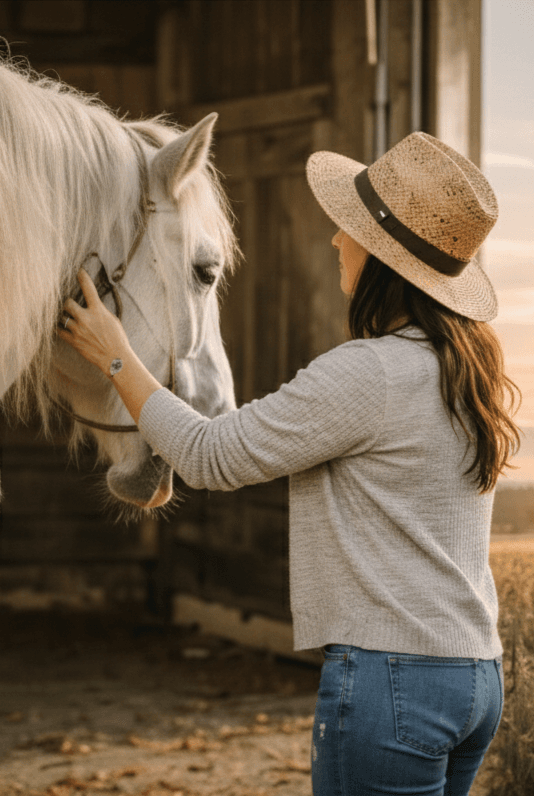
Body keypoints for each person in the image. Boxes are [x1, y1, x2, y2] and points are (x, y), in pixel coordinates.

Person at [58, 131, 520, 796]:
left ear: (385, 257)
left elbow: (209, 456)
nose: (337, 239)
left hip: (394, 682)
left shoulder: (371, 372)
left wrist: (115, 353)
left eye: (350, 229)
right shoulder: (461, 369)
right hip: (475, 678)